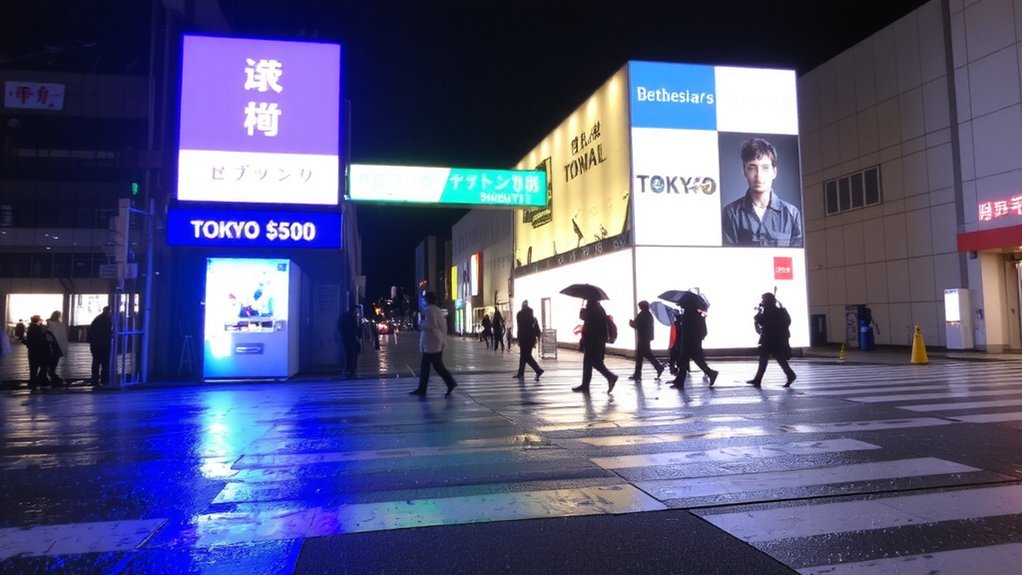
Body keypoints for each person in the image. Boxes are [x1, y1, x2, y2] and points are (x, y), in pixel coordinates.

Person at [721, 137, 803, 247]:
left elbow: (797, 259)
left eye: (765, 168)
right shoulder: (731, 214)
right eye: (752, 168)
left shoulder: (791, 214)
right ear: (744, 171)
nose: (758, 175)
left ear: (774, 172)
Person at [409, 292, 457, 397]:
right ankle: (449, 383)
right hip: (435, 342)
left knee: (429, 366)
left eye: (424, 299)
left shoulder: (429, 310)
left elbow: (430, 324)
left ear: (427, 300)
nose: (423, 301)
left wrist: (419, 324)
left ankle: (424, 388)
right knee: (436, 366)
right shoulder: (436, 310)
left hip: (432, 343)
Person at [747, 292, 797, 387]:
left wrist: (760, 314)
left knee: (771, 359)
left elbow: (762, 321)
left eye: (764, 300)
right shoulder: (778, 311)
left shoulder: (773, 312)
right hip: (772, 338)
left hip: (771, 339)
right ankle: (789, 375)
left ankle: (790, 375)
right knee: (772, 359)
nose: (762, 302)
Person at [572, 297, 618, 394]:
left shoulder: (593, 309)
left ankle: (611, 377)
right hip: (595, 340)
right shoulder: (598, 308)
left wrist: (582, 310)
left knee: (595, 362)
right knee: (588, 363)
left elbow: (584, 317)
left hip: (593, 341)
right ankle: (585, 384)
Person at [671, 304, 718, 388]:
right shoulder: (695, 315)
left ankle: (711, 373)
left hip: (689, 342)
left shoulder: (689, 316)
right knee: (688, 361)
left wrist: (678, 321)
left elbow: (684, 329)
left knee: (686, 361)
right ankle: (679, 381)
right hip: (692, 342)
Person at [628, 300, 664, 381]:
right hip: (646, 337)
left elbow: (638, 325)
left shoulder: (642, 315)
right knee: (645, 354)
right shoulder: (648, 315)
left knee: (641, 356)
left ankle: (639, 374)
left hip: (643, 337)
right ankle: (657, 367)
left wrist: (632, 324)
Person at [512, 300, 544, 381]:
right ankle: (521, 373)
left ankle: (538, 370)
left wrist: (519, 338)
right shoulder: (531, 316)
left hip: (524, 339)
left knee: (526, 356)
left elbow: (520, 328)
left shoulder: (520, 314)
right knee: (524, 356)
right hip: (530, 339)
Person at [24, 315, 51, 387]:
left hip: (33, 350)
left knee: (33, 367)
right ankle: (42, 380)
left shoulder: (31, 328)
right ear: (38, 320)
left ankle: (33, 381)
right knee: (43, 366)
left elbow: (29, 341)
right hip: (41, 350)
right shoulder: (40, 329)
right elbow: (43, 339)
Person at [88, 306, 112, 387]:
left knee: (96, 362)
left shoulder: (97, 319)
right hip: (105, 345)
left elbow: (91, 332)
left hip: (96, 345)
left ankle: (94, 379)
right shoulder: (109, 321)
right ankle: (104, 379)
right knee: (105, 363)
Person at [45, 310, 69, 386]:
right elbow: (63, 336)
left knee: (49, 361)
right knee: (55, 361)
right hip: (57, 346)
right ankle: (52, 373)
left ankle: (50, 374)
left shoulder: (49, 323)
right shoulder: (60, 325)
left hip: (51, 345)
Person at [338, 306, 361, 378]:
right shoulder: (351, 317)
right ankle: (351, 368)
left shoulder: (343, 316)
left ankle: (348, 367)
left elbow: (339, 327)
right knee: (352, 353)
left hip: (345, 337)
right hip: (351, 337)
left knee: (347, 353)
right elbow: (355, 328)